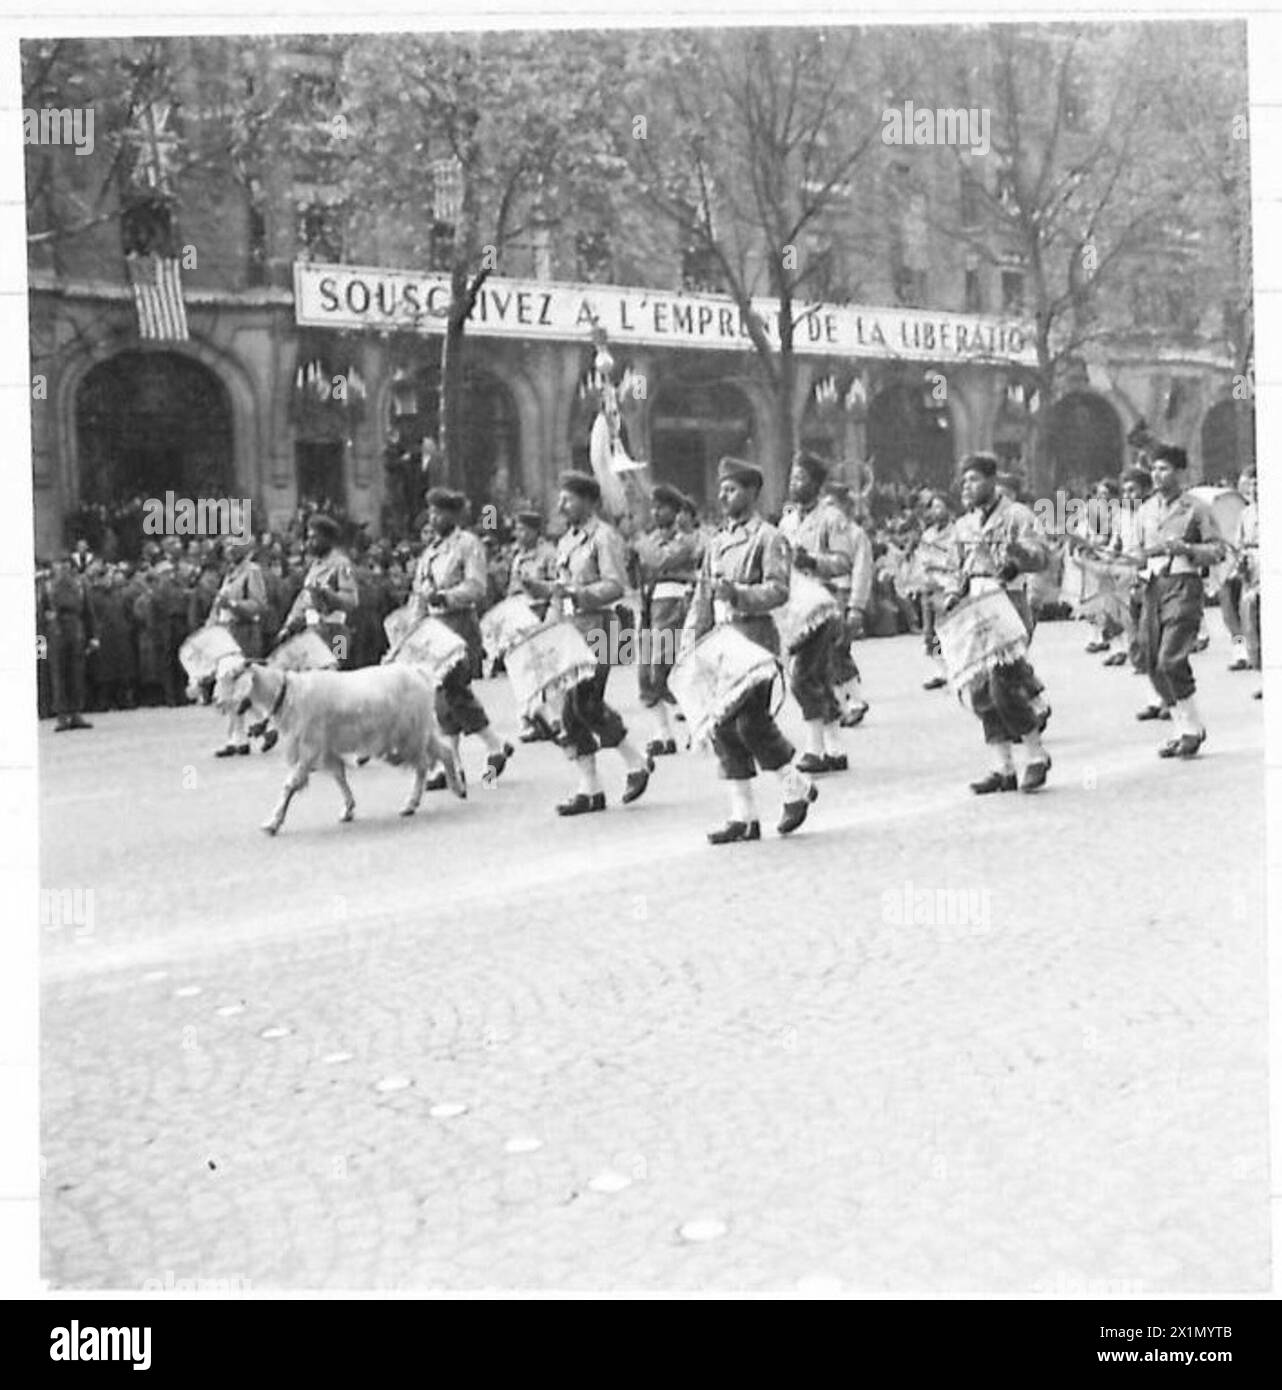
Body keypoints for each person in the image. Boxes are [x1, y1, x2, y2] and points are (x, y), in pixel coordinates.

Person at [684, 456, 818, 843]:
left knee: (750, 722)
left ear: (752, 492)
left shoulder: (769, 537)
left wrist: (740, 594)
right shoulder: (716, 542)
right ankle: (744, 816)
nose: (724, 496)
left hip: (754, 641)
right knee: (723, 726)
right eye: (722, 489)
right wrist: (692, 643)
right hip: (722, 644)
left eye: (732, 489)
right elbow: (702, 598)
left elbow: (779, 590)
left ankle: (795, 787)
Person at [523, 471, 653, 816]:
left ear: (589, 501)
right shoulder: (566, 542)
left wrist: (576, 594)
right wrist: (545, 598)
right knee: (570, 711)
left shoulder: (604, 537)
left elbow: (615, 585)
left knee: (587, 704)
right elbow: (561, 590)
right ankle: (590, 789)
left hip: (604, 628)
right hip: (571, 632)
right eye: (561, 498)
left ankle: (636, 762)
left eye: (568, 499)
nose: (561, 505)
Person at [943, 452, 1053, 794]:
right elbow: (952, 567)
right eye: (965, 481)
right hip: (973, 604)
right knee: (978, 688)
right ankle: (1002, 767)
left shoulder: (1018, 516)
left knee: (1003, 684)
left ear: (993, 480)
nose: (968, 486)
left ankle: (1036, 754)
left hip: (1008, 600)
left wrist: (1017, 557)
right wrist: (951, 593)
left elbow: (1041, 555)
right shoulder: (962, 526)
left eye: (975, 479)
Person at [1126, 444, 1224, 757]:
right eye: (1154, 468)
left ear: (1180, 472)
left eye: (1164, 468)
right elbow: (1137, 552)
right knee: (1152, 662)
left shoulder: (1196, 508)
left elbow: (1218, 549)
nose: (1157, 474)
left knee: (1171, 659)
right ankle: (1182, 729)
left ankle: (1193, 726)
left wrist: (1187, 549)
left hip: (1184, 585)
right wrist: (1132, 559)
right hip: (1152, 588)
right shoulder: (1145, 510)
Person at [410, 489, 512, 786]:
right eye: (430, 512)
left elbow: (477, 586)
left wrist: (446, 597)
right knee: (439, 696)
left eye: (439, 512)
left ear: (453, 515)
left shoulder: (468, 544)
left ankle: (494, 746)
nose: (433, 518)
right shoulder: (429, 553)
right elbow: (418, 595)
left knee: (453, 689)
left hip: (459, 622)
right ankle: (452, 764)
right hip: (433, 627)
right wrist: (412, 630)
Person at [778, 451, 855, 773]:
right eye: (793, 478)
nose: (795, 484)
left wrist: (811, 561)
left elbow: (843, 560)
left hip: (823, 604)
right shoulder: (786, 520)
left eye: (802, 479)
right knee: (820, 676)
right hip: (795, 604)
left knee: (802, 677)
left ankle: (815, 749)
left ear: (816, 484)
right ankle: (835, 748)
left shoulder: (831, 518)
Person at [633, 483, 700, 756]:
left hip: (672, 604)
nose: (655, 512)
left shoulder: (686, 540)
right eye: (654, 507)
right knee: (646, 673)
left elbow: (661, 561)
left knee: (667, 667)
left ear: (675, 511)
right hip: (649, 605)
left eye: (661, 508)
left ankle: (697, 727)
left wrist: (637, 540)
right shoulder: (651, 538)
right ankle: (664, 734)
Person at [209, 537, 271, 756]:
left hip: (243, 632)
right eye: (225, 547)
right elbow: (218, 606)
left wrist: (233, 605)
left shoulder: (251, 571)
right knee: (228, 688)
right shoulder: (230, 573)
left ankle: (255, 728)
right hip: (227, 633)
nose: (227, 551)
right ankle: (240, 738)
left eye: (231, 547)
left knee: (239, 688)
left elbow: (258, 604)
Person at [506, 509, 559, 743]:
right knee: (524, 670)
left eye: (523, 529)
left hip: (542, 614)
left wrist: (550, 617)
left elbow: (557, 586)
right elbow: (511, 588)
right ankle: (530, 718)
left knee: (547, 670)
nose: (518, 534)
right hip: (521, 617)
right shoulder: (518, 557)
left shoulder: (548, 554)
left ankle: (554, 719)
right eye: (516, 529)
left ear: (535, 531)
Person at [276, 514, 359, 663]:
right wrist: (289, 625)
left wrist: (328, 595)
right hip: (313, 631)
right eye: (309, 538)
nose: (309, 543)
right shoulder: (315, 566)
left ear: (328, 539)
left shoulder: (342, 564)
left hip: (336, 632)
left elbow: (351, 600)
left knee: (335, 675)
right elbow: (303, 599)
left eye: (314, 538)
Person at [46, 555, 98, 730]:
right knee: (58, 675)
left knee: (76, 674)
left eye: (67, 565)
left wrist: (94, 636)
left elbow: (89, 613)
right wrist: (39, 646)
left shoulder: (81, 585)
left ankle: (75, 713)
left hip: (76, 630)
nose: (64, 569)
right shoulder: (47, 586)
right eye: (61, 565)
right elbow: (39, 616)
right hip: (55, 632)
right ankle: (62, 715)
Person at [915, 490, 956, 690]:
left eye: (940, 506)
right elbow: (921, 560)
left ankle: (955, 668)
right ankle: (941, 670)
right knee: (929, 632)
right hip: (928, 586)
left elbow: (952, 561)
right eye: (933, 507)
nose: (936, 511)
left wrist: (937, 564)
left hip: (946, 586)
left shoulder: (957, 533)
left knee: (947, 630)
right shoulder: (927, 535)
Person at [1232, 467, 1260, 691]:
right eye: (1250, 484)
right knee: (1245, 621)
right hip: (1248, 568)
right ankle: (1244, 655)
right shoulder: (1246, 513)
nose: (1254, 489)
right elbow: (1238, 543)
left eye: (1258, 483)